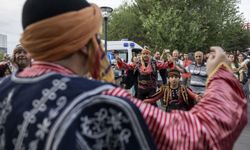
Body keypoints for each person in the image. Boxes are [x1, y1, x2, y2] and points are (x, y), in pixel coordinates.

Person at [0, 1, 247, 150]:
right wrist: (221, 72)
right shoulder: (101, 102)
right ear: (83, 40)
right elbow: (201, 135)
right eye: (94, 34)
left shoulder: (5, 89)